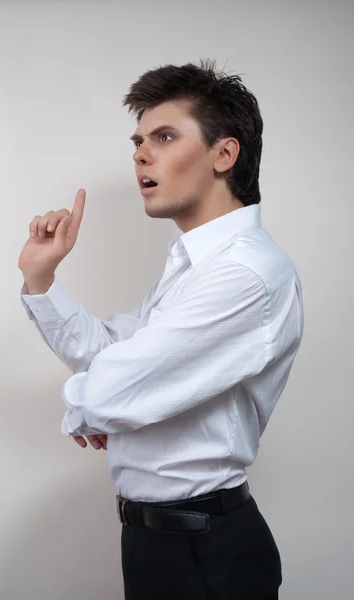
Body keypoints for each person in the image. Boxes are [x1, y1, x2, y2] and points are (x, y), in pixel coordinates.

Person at [18, 59, 304, 599]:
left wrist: (91, 405)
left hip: (206, 549)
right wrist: (41, 278)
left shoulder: (244, 274)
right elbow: (108, 355)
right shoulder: (194, 265)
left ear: (224, 154)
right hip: (159, 542)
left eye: (165, 136)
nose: (140, 155)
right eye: (138, 140)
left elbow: (113, 387)